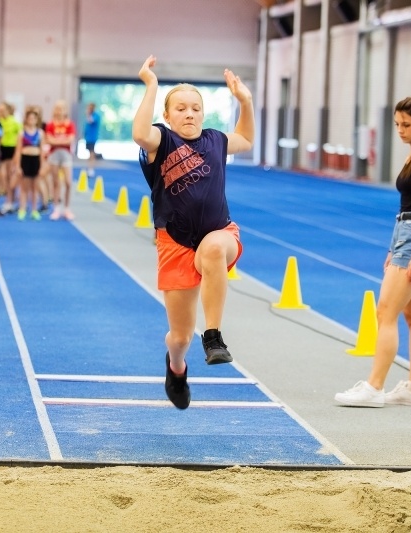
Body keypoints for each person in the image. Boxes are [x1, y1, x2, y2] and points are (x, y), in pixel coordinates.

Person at [131, 55, 254, 409]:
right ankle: (176, 366)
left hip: (219, 232)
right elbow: (140, 133)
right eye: (181, 109)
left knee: (214, 249)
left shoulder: (216, 140)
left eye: (196, 109)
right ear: (168, 115)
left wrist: (245, 101)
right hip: (175, 242)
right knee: (181, 336)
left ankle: (213, 336)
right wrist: (152, 85)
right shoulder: (161, 140)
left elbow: (246, 138)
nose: (189, 114)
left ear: (203, 114)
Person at [335, 96, 411, 408]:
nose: (400, 130)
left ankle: (375, 387)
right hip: (405, 233)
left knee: (385, 312)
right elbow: (407, 206)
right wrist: (392, 247)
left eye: (406, 124)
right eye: (397, 124)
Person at [45, 100, 77, 220]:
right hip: (54, 154)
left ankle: (67, 208)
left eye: (62, 109)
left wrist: (57, 141)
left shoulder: (70, 124)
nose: (60, 111)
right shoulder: (50, 125)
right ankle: (56, 207)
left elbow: (70, 140)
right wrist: (62, 141)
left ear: (65, 111)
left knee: (68, 182)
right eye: (58, 109)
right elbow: (49, 140)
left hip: (66, 154)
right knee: (56, 182)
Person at [13, 109, 44, 221]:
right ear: (26, 119)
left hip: (35, 160)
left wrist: (42, 166)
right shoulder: (22, 133)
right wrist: (18, 166)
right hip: (25, 160)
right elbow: (18, 151)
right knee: (24, 187)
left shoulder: (40, 133)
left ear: (37, 120)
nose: (31, 120)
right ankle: (22, 209)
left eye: (34, 118)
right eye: (29, 118)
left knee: (35, 187)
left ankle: (34, 210)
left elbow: (42, 151)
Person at [0, 102, 21, 213]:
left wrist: (17, 153)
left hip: (12, 149)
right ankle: (8, 199)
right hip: (2, 149)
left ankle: (11, 199)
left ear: (8, 110)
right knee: (4, 176)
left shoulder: (14, 122)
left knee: (11, 175)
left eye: (3, 110)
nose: (1, 112)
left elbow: (21, 135)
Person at [84, 102, 100, 177]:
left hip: (92, 138)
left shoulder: (96, 115)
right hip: (88, 137)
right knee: (90, 153)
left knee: (92, 153)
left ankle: (91, 169)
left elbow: (91, 121)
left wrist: (88, 114)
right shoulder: (90, 115)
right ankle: (89, 168)